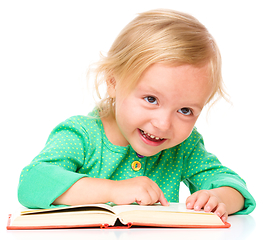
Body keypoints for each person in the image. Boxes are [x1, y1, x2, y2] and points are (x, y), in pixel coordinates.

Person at [18, 9, 256, 223]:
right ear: (113, 83)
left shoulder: (184, 147)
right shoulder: (82, 135)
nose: (163, 124)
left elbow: (233, 186)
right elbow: (32, 183)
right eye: (151, 99)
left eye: (185, 110)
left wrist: (217, 197)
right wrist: (112, 191)